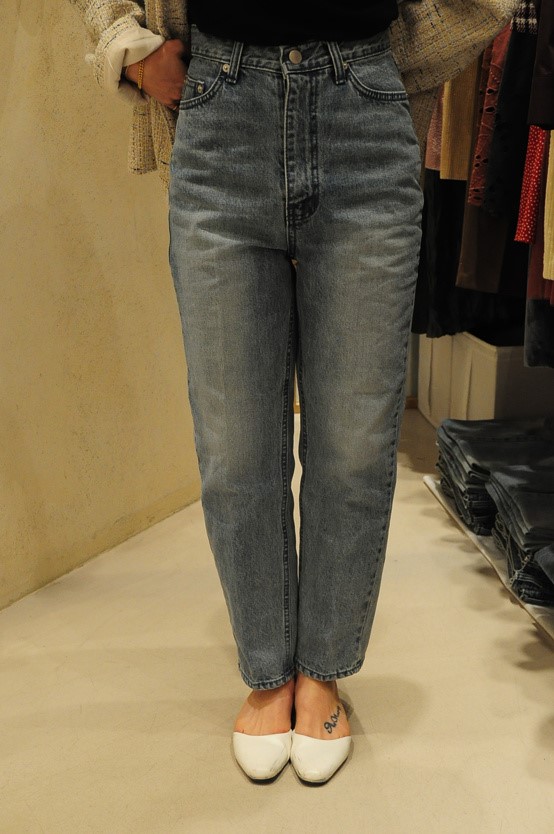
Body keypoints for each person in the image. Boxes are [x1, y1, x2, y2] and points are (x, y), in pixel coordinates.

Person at [68, 0, 519, 784]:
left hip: (362, 117)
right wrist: (125, 44)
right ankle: (267, 670)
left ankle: (323, 670)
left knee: (354, 442)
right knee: (235, 445)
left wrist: (388, 61)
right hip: (221, 110)